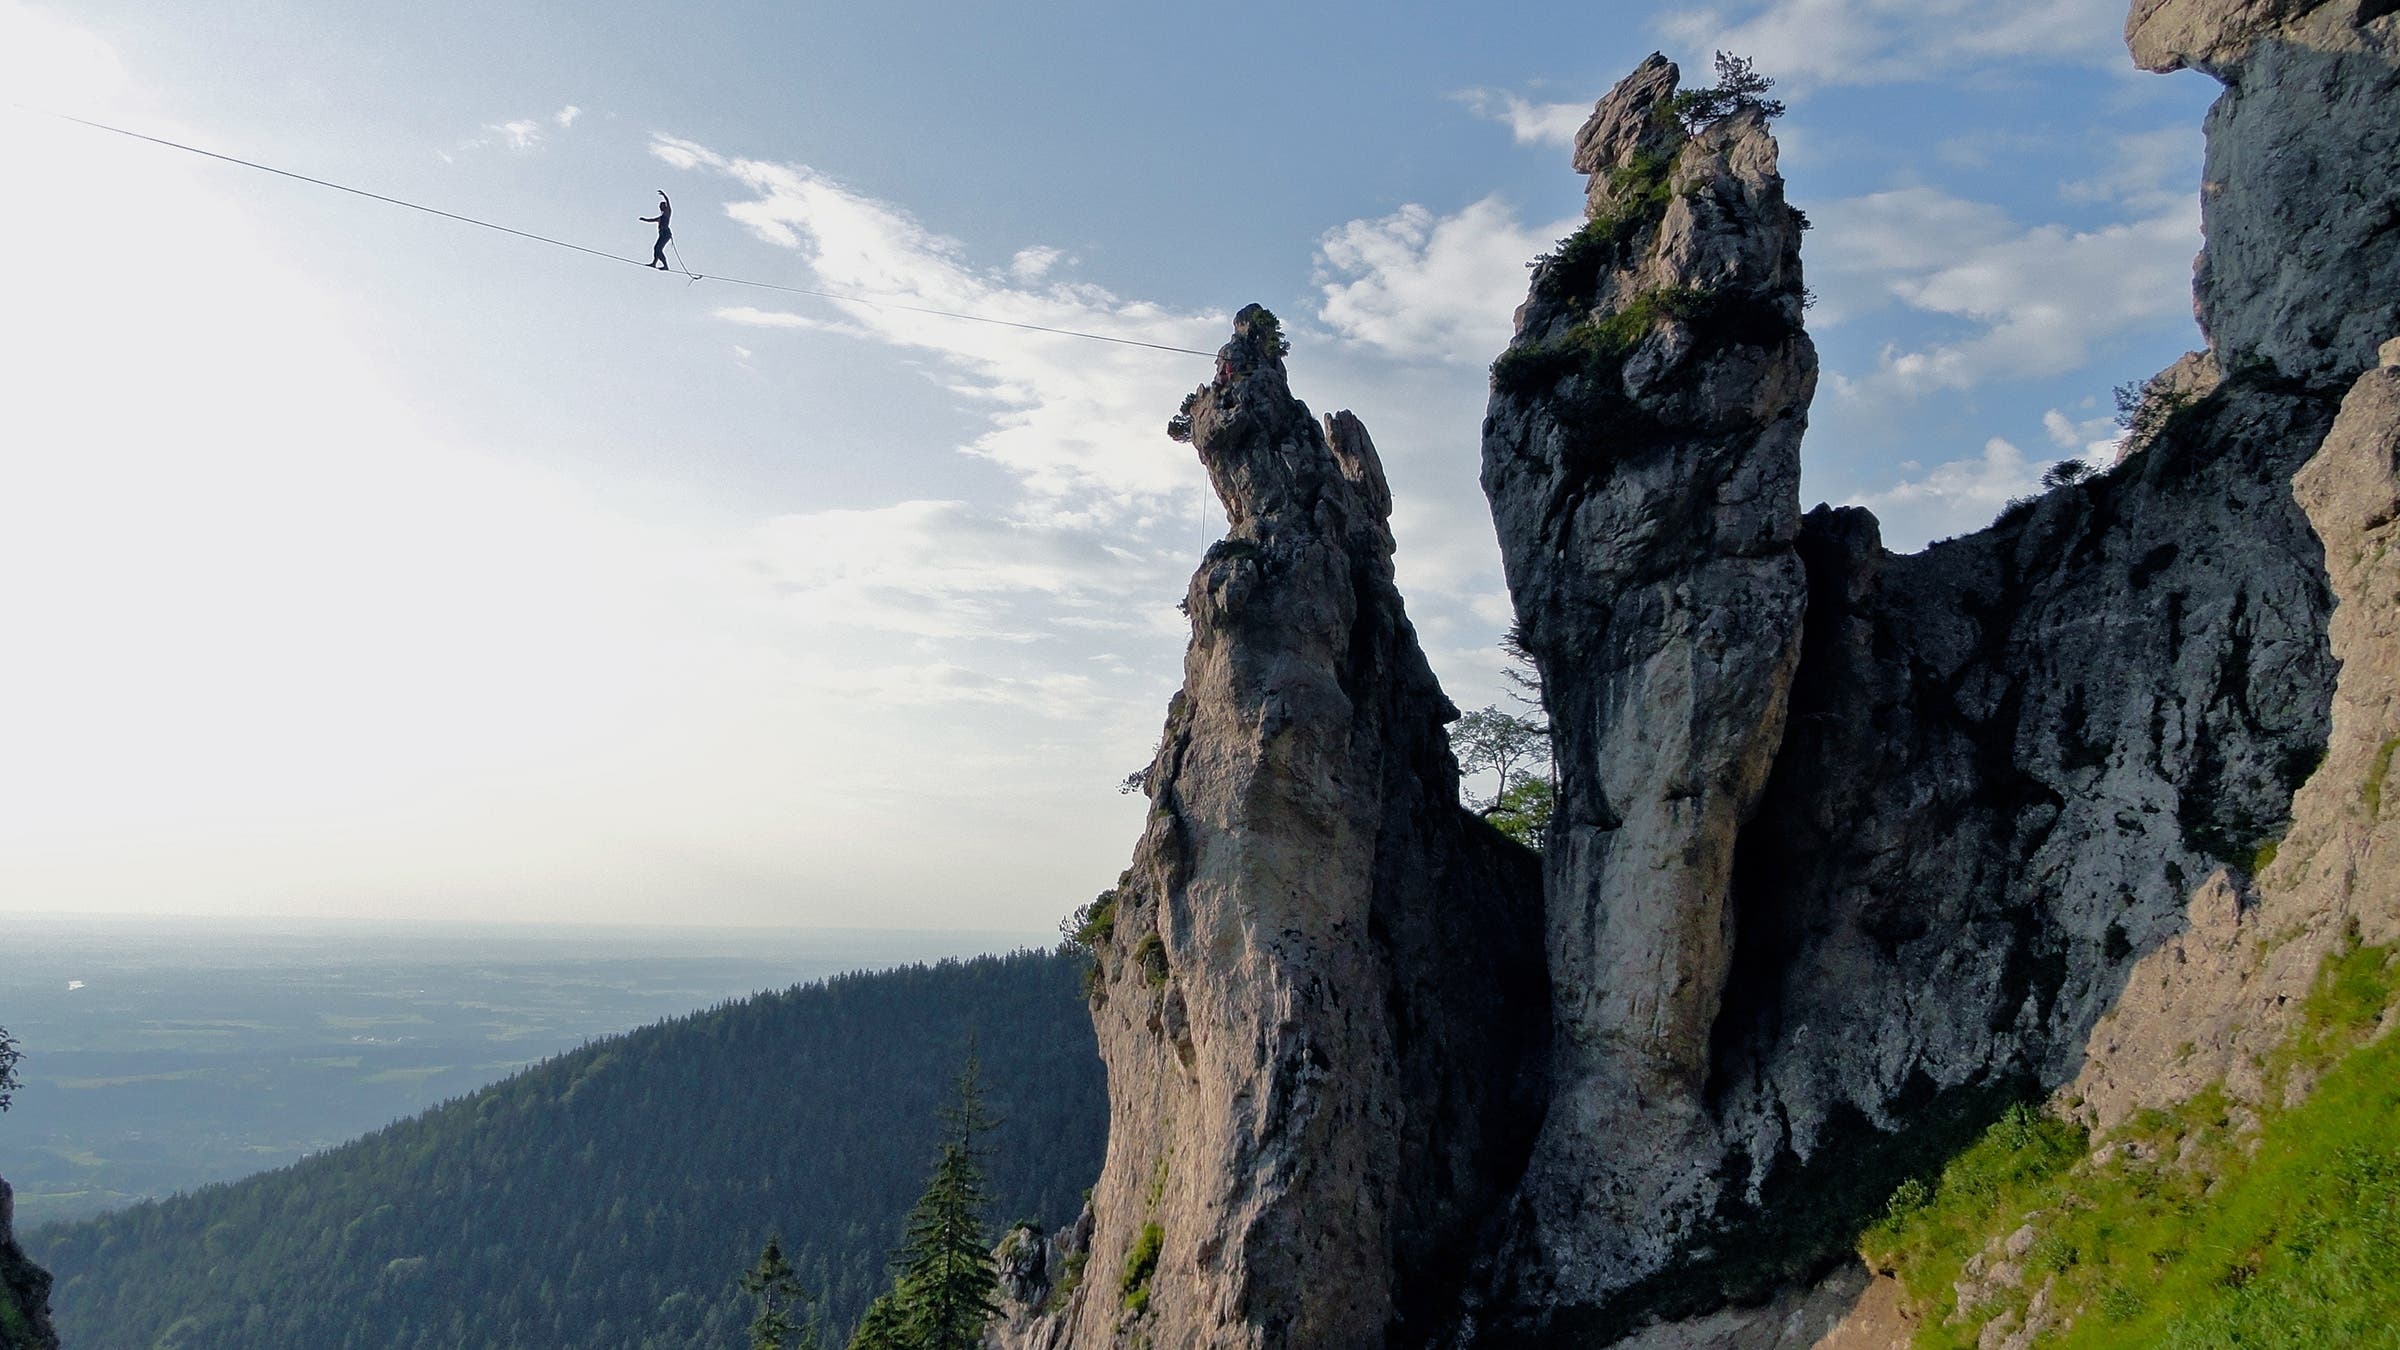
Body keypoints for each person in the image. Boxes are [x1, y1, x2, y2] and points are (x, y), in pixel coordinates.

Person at [640, 191, 672, 269]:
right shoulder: (660, 217)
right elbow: (652, 220)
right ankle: (654, 263)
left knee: (658, 248)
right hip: (662, 233)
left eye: (662, 205)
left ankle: (665, 265)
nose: (661, 207)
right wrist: (644, 219)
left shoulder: (667, 213)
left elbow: (668, 202)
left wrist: (664, 195)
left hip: (665, 233)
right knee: (656, 248)